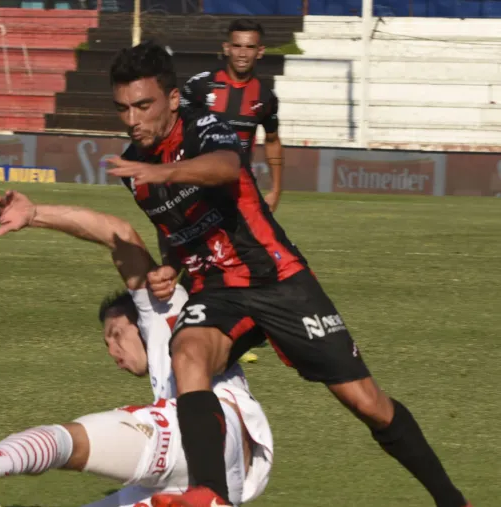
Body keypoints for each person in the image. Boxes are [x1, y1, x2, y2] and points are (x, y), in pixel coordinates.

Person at [104, 41, 469, 507]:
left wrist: (165, 173)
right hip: (218, 288)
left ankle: (452, 501)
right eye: (122, 109)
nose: (133, 120)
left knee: (368, 404)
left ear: (172, 100)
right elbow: (173, 227)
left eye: (143, 106)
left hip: (278, 279)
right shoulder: (134, 165)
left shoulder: (204, 127)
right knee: (187, 353)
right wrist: (171, 265)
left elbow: (227, 167)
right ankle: (210, 494)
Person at [0, 191, 273, 506]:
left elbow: (115, 231)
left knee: (68, 440)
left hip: (204, 432)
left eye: (115, 334)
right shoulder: (176, 350)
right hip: (226, 479)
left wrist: (36, 213)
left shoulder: (163, 309)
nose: (113, 351)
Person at [180, 19, 282, 213]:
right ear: (226, 48)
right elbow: (171, 127)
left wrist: (275, 190)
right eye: (237, 46)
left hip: (239, 192)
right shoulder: (199, 86)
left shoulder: (265, 97)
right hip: (195, 190)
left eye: (250, 47)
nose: (242, 54)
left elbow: (272, 141)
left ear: (260, 51)